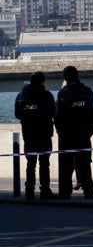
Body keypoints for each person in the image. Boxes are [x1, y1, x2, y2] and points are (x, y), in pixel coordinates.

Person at [55, 65, 93, 199]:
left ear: (65, 78)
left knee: (65, 166)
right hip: (83, 134)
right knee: (84, 164)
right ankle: (88, 191)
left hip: (66, 136)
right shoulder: (88, 92)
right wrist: (89, 132)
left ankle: (65, 192)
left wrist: (61, 133)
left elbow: (57, 117)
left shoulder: (62, 93)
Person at [14, 71, 56, 200]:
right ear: (42, 82)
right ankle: (45, 190)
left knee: (30, 164)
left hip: (29, 134)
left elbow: (17, 114)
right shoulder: (47, 95)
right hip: (44, 134)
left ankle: (29, 191)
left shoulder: (20, 95)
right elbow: (54, 112)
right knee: (44, 163)